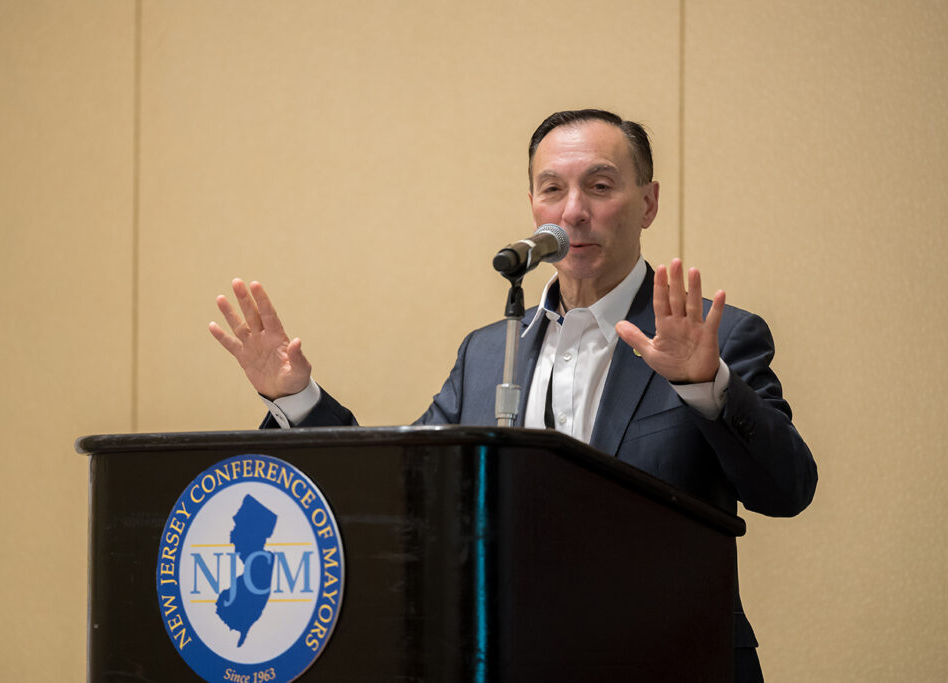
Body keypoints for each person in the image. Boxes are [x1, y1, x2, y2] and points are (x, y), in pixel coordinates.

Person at [209, 108, 818, 681]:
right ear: (533, 205)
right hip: (513, 659)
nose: (573, 211)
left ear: (648, 203)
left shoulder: (716, 339)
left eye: (600, 187)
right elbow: (402, 486)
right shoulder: (487, 353)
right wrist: (298, 398)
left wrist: (704, 386)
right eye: (552, 189)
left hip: (669, 660)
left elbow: (786, 489)